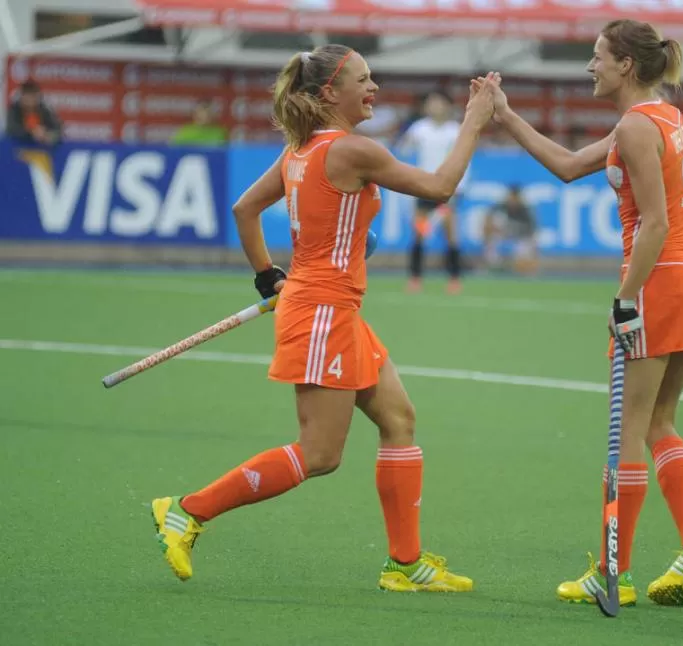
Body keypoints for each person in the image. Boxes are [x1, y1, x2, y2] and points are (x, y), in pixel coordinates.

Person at [150, 44, 496, 592]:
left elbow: (246, 210)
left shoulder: (300, 150)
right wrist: (474, 121)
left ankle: (406, 564)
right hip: (321, 314)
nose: (374, 87)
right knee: (320, 454)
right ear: (330, 92)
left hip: (332, 307)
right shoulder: (353, 150)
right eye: (364, 79)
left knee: (399, 420)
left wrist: (270, 276)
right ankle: (187, 511)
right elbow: (440, 188)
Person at [474, 19, 683, 608]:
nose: (590, 67)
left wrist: (625, 299)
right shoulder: (660, 116)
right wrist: (503, 115)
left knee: (631, 431)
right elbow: (566, 166)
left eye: (597, 57)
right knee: (660, 423)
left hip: (659, 283)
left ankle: (618, 574)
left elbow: (656, 223)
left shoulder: (636, 127)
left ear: (626, 66)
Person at [397, 90, 468, 294]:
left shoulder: (455, 130)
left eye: (437, 102)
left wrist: (458, 188)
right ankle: (415, 278)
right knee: (419, 233)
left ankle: (454, 279)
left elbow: (464, 161)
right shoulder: (419, 128)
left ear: (447, 106)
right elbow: (403, 149)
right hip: (424, 187)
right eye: (430, 103)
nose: (433, 106)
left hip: (447, 188)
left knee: (451, 234)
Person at [481, 184, 539, 275]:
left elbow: (531, 232)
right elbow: (487, 220)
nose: (512, 200)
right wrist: (494, 229)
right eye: (511, 197)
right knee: (491, 240)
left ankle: (524, 269)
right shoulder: (501, 206)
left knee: (525, 249)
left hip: (521, 238)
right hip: (503, 237)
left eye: (515, 197)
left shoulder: (525, 210)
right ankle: (493, 267)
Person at [5, 80, 62, 146]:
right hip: (16, 149)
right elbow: (11, 129)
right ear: (22, 96)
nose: (30, 100)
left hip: (40, 152)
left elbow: (58, 129)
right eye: (27, 96)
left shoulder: (44, 110)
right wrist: (31, 132)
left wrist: (47, 134)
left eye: (33, 96)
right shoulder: (14, 110)